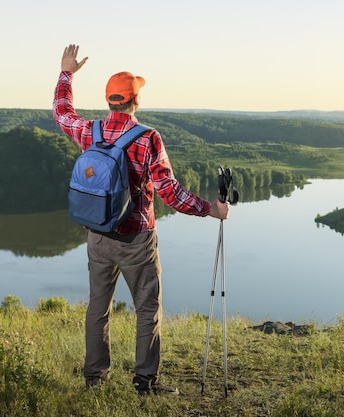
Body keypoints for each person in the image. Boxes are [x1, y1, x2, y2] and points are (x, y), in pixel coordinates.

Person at [53, 44, 230, 395]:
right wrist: (212, 209)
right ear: (135, 101)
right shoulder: (148, 138)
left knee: (98, 308)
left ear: (109, 101)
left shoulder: (91, 131)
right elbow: (171, 194)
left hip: (99, 234)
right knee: (147, 309)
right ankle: (146, 382)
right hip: (137, 239)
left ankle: (94, 380)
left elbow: (62, 113)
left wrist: (66, 73)